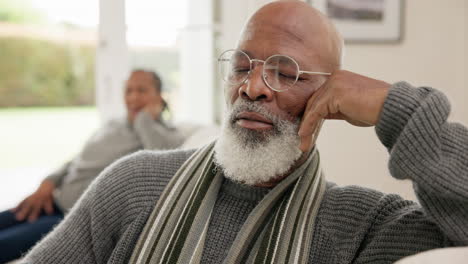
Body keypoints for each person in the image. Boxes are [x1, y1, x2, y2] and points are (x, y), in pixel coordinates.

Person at [21, 1, 468, 263]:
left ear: (331, 95)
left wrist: (397, 109)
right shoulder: (134, 183)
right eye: (241, 67)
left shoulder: (362, 228)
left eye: (286, 72)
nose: (252, 88)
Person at [0, 69, 184, 263]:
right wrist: (49, 182)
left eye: (142, 90)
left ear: (158, 96)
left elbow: (159, 154)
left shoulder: (168, 135)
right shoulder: (113, 125)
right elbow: (78, 158)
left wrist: (143, 119)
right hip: (52, 201)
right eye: (128, 91)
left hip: (69, 220)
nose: (133, 97)